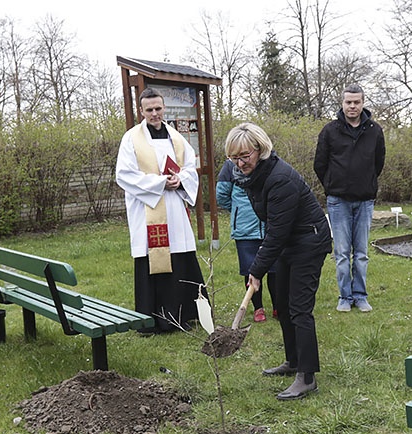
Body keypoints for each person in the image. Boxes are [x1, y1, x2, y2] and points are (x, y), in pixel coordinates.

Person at [224, 123, 332, 400]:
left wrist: (256, 270)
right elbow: (275, 230)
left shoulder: (280, 178)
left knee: (299, 309)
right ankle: (293, 361)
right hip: (287, 243)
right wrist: (259, 268)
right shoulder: (249, 176)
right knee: (281, 304)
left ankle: (307, 377)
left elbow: (276, 232)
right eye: (234, 156)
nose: (240, 162)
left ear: (260, 150)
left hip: (309, 241)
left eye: (245, 155)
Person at [115, 88, 205, 333]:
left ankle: (183, 314)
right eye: (149, 110)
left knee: (180, 258)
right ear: (141, 111)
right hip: (149, 209)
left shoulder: (176, 137)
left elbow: (189, 166)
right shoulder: (131, 138)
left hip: (174, 207)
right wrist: (159, 183)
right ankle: (153, 319)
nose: (155, 114)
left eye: (158, 108)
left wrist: (180, 180)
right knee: (154, 260)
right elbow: (124, 175)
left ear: (164, 108)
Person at [313, 83, 386, 313]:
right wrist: (333, 186)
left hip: (364, 201)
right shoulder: (330, 131)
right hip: (338, 201)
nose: (352, 106)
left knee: (362, 253)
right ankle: (345, 297)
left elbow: (379, 162)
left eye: (356, 102)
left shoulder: (374, 130)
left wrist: (367, 184)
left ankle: (361, 295)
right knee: (342, 253)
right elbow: (320, 164)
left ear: (363, 103)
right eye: (348, 102)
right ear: (342, 103)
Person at [216, 158, 277, 322]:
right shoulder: (229, 165)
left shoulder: (266, 160)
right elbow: (221, 195)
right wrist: (237, 209)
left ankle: (278, 306)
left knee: (275, 269)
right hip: (244, 228)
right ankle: (258, 308)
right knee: (250, 269)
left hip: (268, 226)